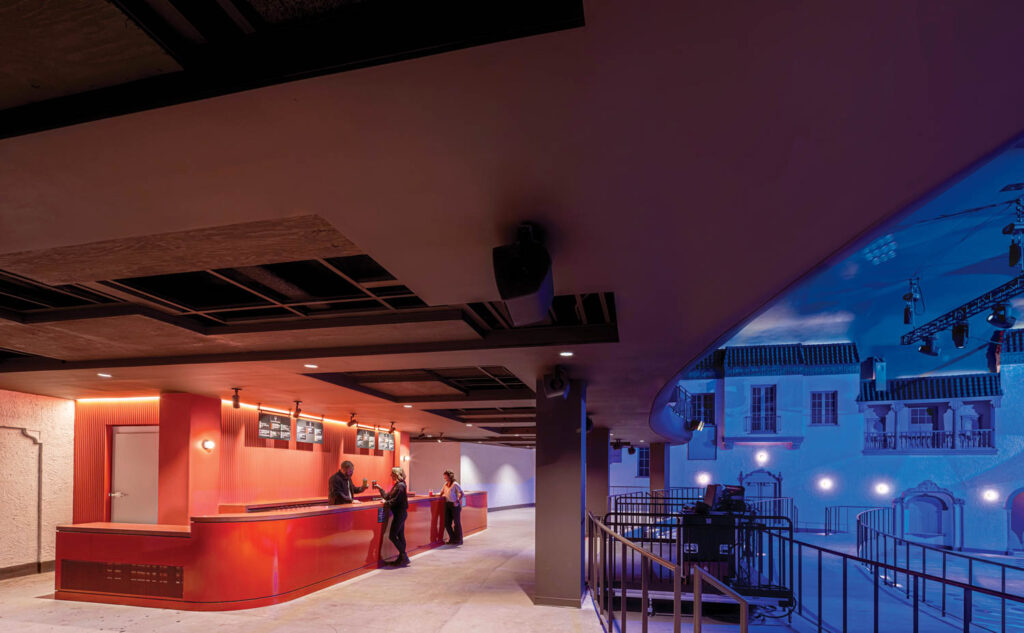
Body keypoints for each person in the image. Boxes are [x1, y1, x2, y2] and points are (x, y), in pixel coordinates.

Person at [374, 467, 409, 566]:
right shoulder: (398, 485)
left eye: (392, 474)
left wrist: (386, 502)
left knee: (393, 535)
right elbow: (388, 496)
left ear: (396, 474)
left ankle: (404, 556)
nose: (390, 476)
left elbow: (395, 500)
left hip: (400, 514)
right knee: (400, 535)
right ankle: (402, 558)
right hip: (400, 514)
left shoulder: (400, 486)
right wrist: (380, 489)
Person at [439, 469, 464, 545]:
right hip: (447, 504)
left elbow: (462, 493)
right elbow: (441, 492)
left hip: (454, 505)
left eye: (446, 477)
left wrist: (457, 500)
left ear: (450, 477)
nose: (445, 478)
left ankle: (459, 540)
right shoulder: (445, 484)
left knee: (456, 523)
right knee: (447, 523)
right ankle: (452, 538)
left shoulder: (455, 484)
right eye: (444, 477)